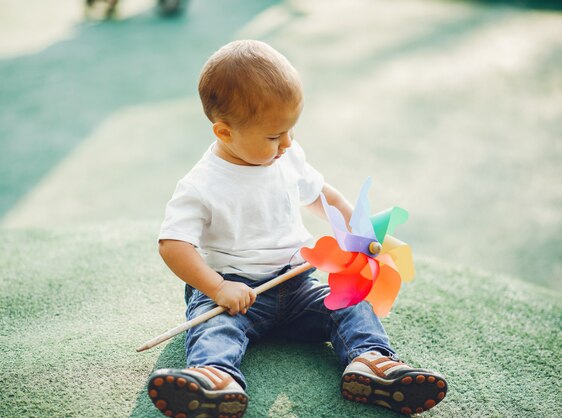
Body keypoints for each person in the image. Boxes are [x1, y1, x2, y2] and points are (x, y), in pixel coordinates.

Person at [147, 40, 447, 417]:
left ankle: (372, 363)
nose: (287, 143)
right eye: (274, 135)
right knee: (216, 328)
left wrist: (358, 230)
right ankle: (213, 377)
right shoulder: (202, 185)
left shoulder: (287, 156)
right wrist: (218, 288)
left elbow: (323, 195)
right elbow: (173, 245)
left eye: (291, 130)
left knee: (352, 305)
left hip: (297, 283)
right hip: (236, 290)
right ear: (224, 133)